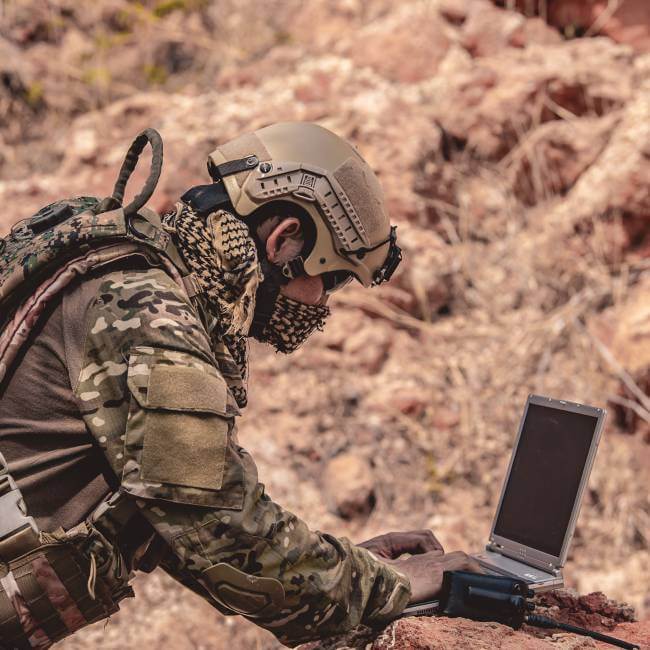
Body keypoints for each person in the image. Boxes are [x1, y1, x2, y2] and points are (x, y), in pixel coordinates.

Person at [0, 122, 480, 648]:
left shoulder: (129, 265)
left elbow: (179, 520)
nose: (322, 305)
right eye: (333, 279)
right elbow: (221, 532)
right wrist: (381, 587)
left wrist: (342, 568)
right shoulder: (147, 314)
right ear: (284, 240)